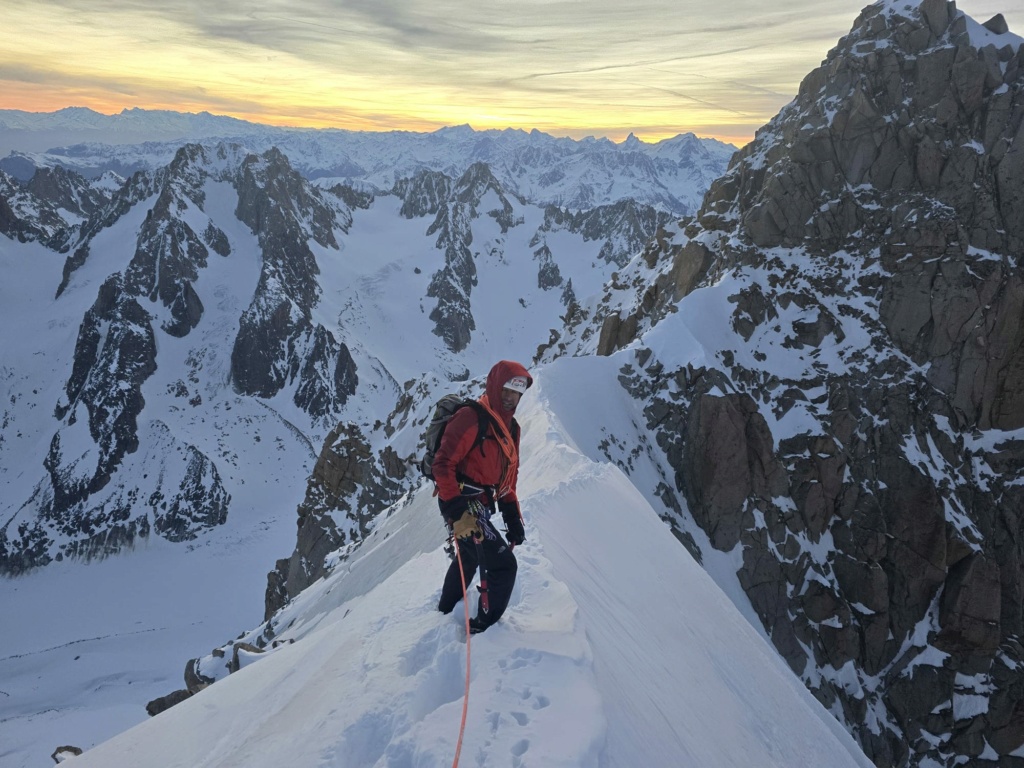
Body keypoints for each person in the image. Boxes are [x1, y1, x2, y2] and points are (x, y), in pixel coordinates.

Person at [434, 360, 532, 633]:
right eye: (506, 390)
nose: (511, 397)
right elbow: (442, 465)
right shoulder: (471, 418)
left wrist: (512, 516)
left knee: (469, 556)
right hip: (461, 499)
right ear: (494, 386)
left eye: (517, 392)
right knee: (503, 566)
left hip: (482, 503)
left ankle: (444, 611)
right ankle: (483, 627)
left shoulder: (511, 428)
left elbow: (507, 479)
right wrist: (457, 512)